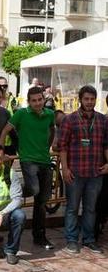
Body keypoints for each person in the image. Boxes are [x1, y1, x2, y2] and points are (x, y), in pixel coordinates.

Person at [0, 86, 55, 250]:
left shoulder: (49, 114)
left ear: (43, 99)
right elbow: (4, 132)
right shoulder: (21, 114)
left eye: (40, 99)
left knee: (42, 201)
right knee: (34, 189)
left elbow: (52, 130)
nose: (37, 103)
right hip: (28, 159)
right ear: (29, 102)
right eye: (34, 100)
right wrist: (1, 153)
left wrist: (48, 146)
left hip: (44, 159)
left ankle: (40, 237)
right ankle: (13, 192)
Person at [57, 85, 108, 254]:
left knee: (91, 208)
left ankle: (88, 239)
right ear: (80, 99)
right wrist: (64, 169)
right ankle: (71, 240)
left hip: (95, 172)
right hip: (75, 172)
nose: (89, 102)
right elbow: (62, 147)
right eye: (86, 99)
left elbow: (106, 145)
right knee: (72, 207)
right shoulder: (69, 120)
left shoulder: (102, 120)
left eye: (92, 99)